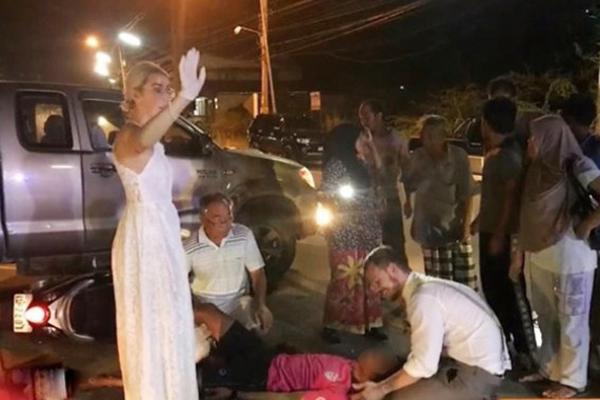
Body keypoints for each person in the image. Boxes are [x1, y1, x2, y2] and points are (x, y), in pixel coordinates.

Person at [111, 49, 205, 400]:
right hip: (144, 238)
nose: (166, 94)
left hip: (161, 233)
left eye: (169, 88)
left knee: (171, 318)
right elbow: (142, 142)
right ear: (134, 94)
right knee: (150, 325)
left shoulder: (155, 141)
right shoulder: (128, 135)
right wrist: (184, 98)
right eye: (157, 88)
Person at [78, 303, 400, 400]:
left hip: (256, 376)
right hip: (267, 356)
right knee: (207, 312)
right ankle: (144, 323)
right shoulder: (350, 366)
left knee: (179, 379)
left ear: (371, 380)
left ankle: (104, 381)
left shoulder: (339, 393)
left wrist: (237, 392)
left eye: (362, 366)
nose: (355, 361)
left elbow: (289, 399)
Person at [352, 246, 511, 400]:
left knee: (395, 397)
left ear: (392, 270)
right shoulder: (426, 287)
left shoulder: (423, 299)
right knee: (372, 363)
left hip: (476, 375)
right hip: (460, 363)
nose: (375, 290)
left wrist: (381, 389)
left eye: (377, 282)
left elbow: (424, 365)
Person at [514, 115, 600, 398]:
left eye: (535, 137)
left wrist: (587, 225)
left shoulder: (578, 165)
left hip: (572, 259)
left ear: (551, 138)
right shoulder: (535, 170)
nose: (530, 142)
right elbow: (526, 216)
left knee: (572, 319)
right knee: (546, 316)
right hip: (539, 255)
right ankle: (549, 369)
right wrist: (519, 255)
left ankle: (573, 381)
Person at [473, 97, 535, 367]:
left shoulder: (506, 156)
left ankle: (525, 351)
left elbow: (512, 197)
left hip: (503, 235)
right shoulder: (501, 153)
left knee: (508, 292)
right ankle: (508, 346)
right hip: (493, 230)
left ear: (486, 123)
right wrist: (480, 220)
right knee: (495, 291)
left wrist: (499, 234)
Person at [320, 123, 384, 343]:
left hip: (368, 229)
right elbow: (326, 195)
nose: (364, 142)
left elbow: (380, 176)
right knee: (344, 279)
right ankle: (333, 324)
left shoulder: (363, 163)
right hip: (344, 231)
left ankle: (371, 322)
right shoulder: (336, 165)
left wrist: (371, 147)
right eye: (361, 138)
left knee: (370, 276)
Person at [402, 115, 477, 290]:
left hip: (453, 226)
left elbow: (467, 193)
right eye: (424, 135)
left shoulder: (458, 157)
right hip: (427, 229)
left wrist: (466, 226)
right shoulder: (418, 157)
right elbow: (408, 181)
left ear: (443, 136)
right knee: (436, 282)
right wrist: (408, 203)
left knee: (462, 284)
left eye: (431, 135)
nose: (426, 140)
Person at [184, 192, 273, 334]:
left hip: (239, 302)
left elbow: (257, 273)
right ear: (204, 220)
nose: (226, 226)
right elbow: (179, 283)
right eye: (219, 221)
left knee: (258, 327)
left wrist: (261, 304)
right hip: (207, 305)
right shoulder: (189, 247)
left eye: (228, 218)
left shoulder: (243, 235)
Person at [561, 93, 600, 375]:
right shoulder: (579, 149)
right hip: (588, 243)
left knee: (593, 308)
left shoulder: (584, 154)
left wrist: (588, 223)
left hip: (592, 239)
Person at [357, 99, 409, 265]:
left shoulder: (396, 140)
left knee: (396, 246)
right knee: (372, 248)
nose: (363, 121)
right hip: (369, 201)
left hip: (391, 198)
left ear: (379, 116)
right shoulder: (362, 141)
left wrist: (408, 200)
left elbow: (406, 170)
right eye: (361, 118)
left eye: (367, 116)